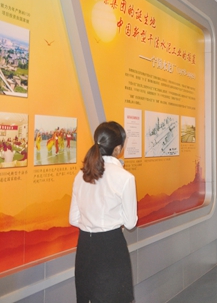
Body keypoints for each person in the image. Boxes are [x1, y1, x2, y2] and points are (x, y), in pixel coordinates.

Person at [69, 121, 137, 303]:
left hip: (84, 246)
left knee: (86, 297)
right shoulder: (125, 178)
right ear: (118, 149)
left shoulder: (81, 175)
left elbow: (73, 218)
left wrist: (91, 223)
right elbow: (130, 223)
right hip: (111, 246)